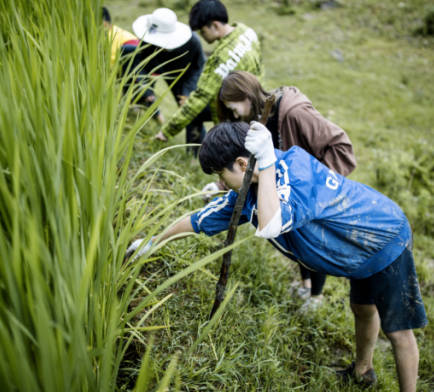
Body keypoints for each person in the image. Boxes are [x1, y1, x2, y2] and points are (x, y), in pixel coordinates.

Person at [129, 121, 427, 391]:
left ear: (243, 163)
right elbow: (201, 219)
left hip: (383, 238)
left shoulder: (295, 172)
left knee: (398, 331)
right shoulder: (254, 184)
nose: (221, 181)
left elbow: (272, 223)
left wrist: (268, 164)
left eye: (221, 174)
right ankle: (363, 372)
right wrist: (152, 242)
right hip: (358, 253)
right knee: (362, 308)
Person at [202, 71, 357, 312]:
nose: (234, 115)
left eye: (234, 109)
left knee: (312, 239)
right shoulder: (260, 119)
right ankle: (305, 287)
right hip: (288, 186)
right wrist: (221, 185)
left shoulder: (294, 112)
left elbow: (340, 145)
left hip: (310, 188)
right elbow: (246, 164)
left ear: (247, 97)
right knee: (296, 235)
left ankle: (316, 298)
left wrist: (316, 184)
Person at [154, 0, 265, 152]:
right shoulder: (246, 31)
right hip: (255, 102)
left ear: (215, 25)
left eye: (202, 31)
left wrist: (167, 131)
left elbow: (199, 97)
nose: (202, 36)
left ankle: (193, 158)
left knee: (194, 112)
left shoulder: (221, 58)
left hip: (233, 111)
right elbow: (260, 67)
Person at [132, 7, 207, 155]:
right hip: (165, 73)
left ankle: (195, 153)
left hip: (187, 76)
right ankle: (150, 118)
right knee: (144, 93)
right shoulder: (147, 41)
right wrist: (145, 89)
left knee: (190, 111)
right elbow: (140, 65)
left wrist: (187, 92)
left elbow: (198, 67)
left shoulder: (192, 41)